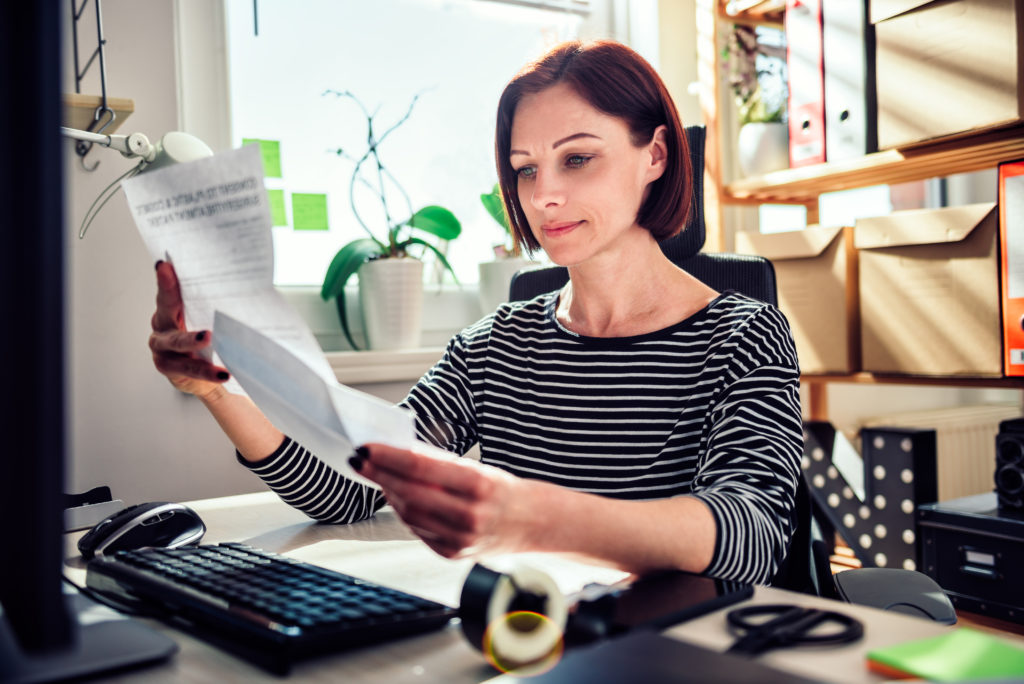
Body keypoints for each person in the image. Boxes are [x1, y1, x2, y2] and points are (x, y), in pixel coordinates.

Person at [148, 40, 802, 586]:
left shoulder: (744, 335)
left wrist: (535, 518)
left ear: (654, 155)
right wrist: (218, 388)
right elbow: (351, 490)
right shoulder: (493, 346)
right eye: (525, 169)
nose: (544, 195)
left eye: (577, 157)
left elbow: (753, 533)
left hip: (676, 649)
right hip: (530, 640)